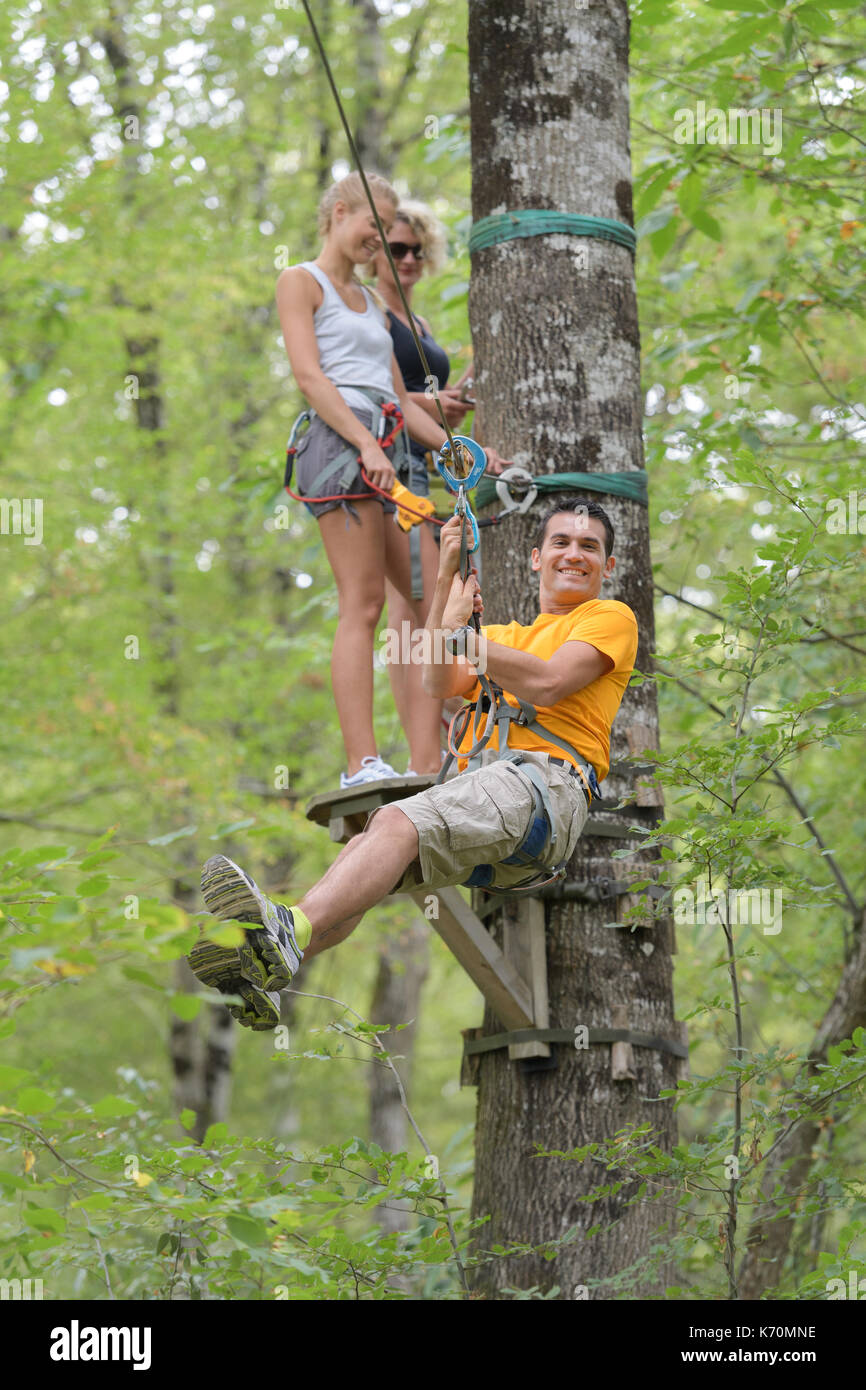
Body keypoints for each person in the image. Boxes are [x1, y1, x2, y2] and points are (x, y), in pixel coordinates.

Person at [188, 498, 639, 1030]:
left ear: (607, 567)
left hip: (543, 790)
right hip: (501, 805)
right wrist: (445, 576)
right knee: (367, 854)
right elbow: (436, 681)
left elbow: (547, 681)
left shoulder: (610, 618)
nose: (574, 554)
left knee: (395, 822)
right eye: (561, 543)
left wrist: (460, 635)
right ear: (536, 558)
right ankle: (262, 969)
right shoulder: (502, 638)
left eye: (590, 546)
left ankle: (287, 927)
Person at [276, 171, 510, 789]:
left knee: (423, 595)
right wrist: (361, 445)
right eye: (373, 231)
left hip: (386, 439)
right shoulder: (302, 281)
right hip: (338, 443)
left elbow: (401, 404)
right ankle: (361, 764)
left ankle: (436, 751)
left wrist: (463, 448)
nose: (378, 246)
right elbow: (310, 377)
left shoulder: (377, 308)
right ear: (339, 212)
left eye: (388, 236)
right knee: (364, 602)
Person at [366, 200, 476, 774]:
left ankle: (428, 754)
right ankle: (424, 758)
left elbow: (418, 398)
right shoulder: (371, 315)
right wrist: (446, 437)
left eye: (416, 250)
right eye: (396, 249)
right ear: (376, 253)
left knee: (412, 614)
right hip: (394, 466)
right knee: (421, 604)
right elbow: (388, 398)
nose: (408, 259)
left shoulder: (420, 323)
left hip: (422, 468)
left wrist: (446, 411)